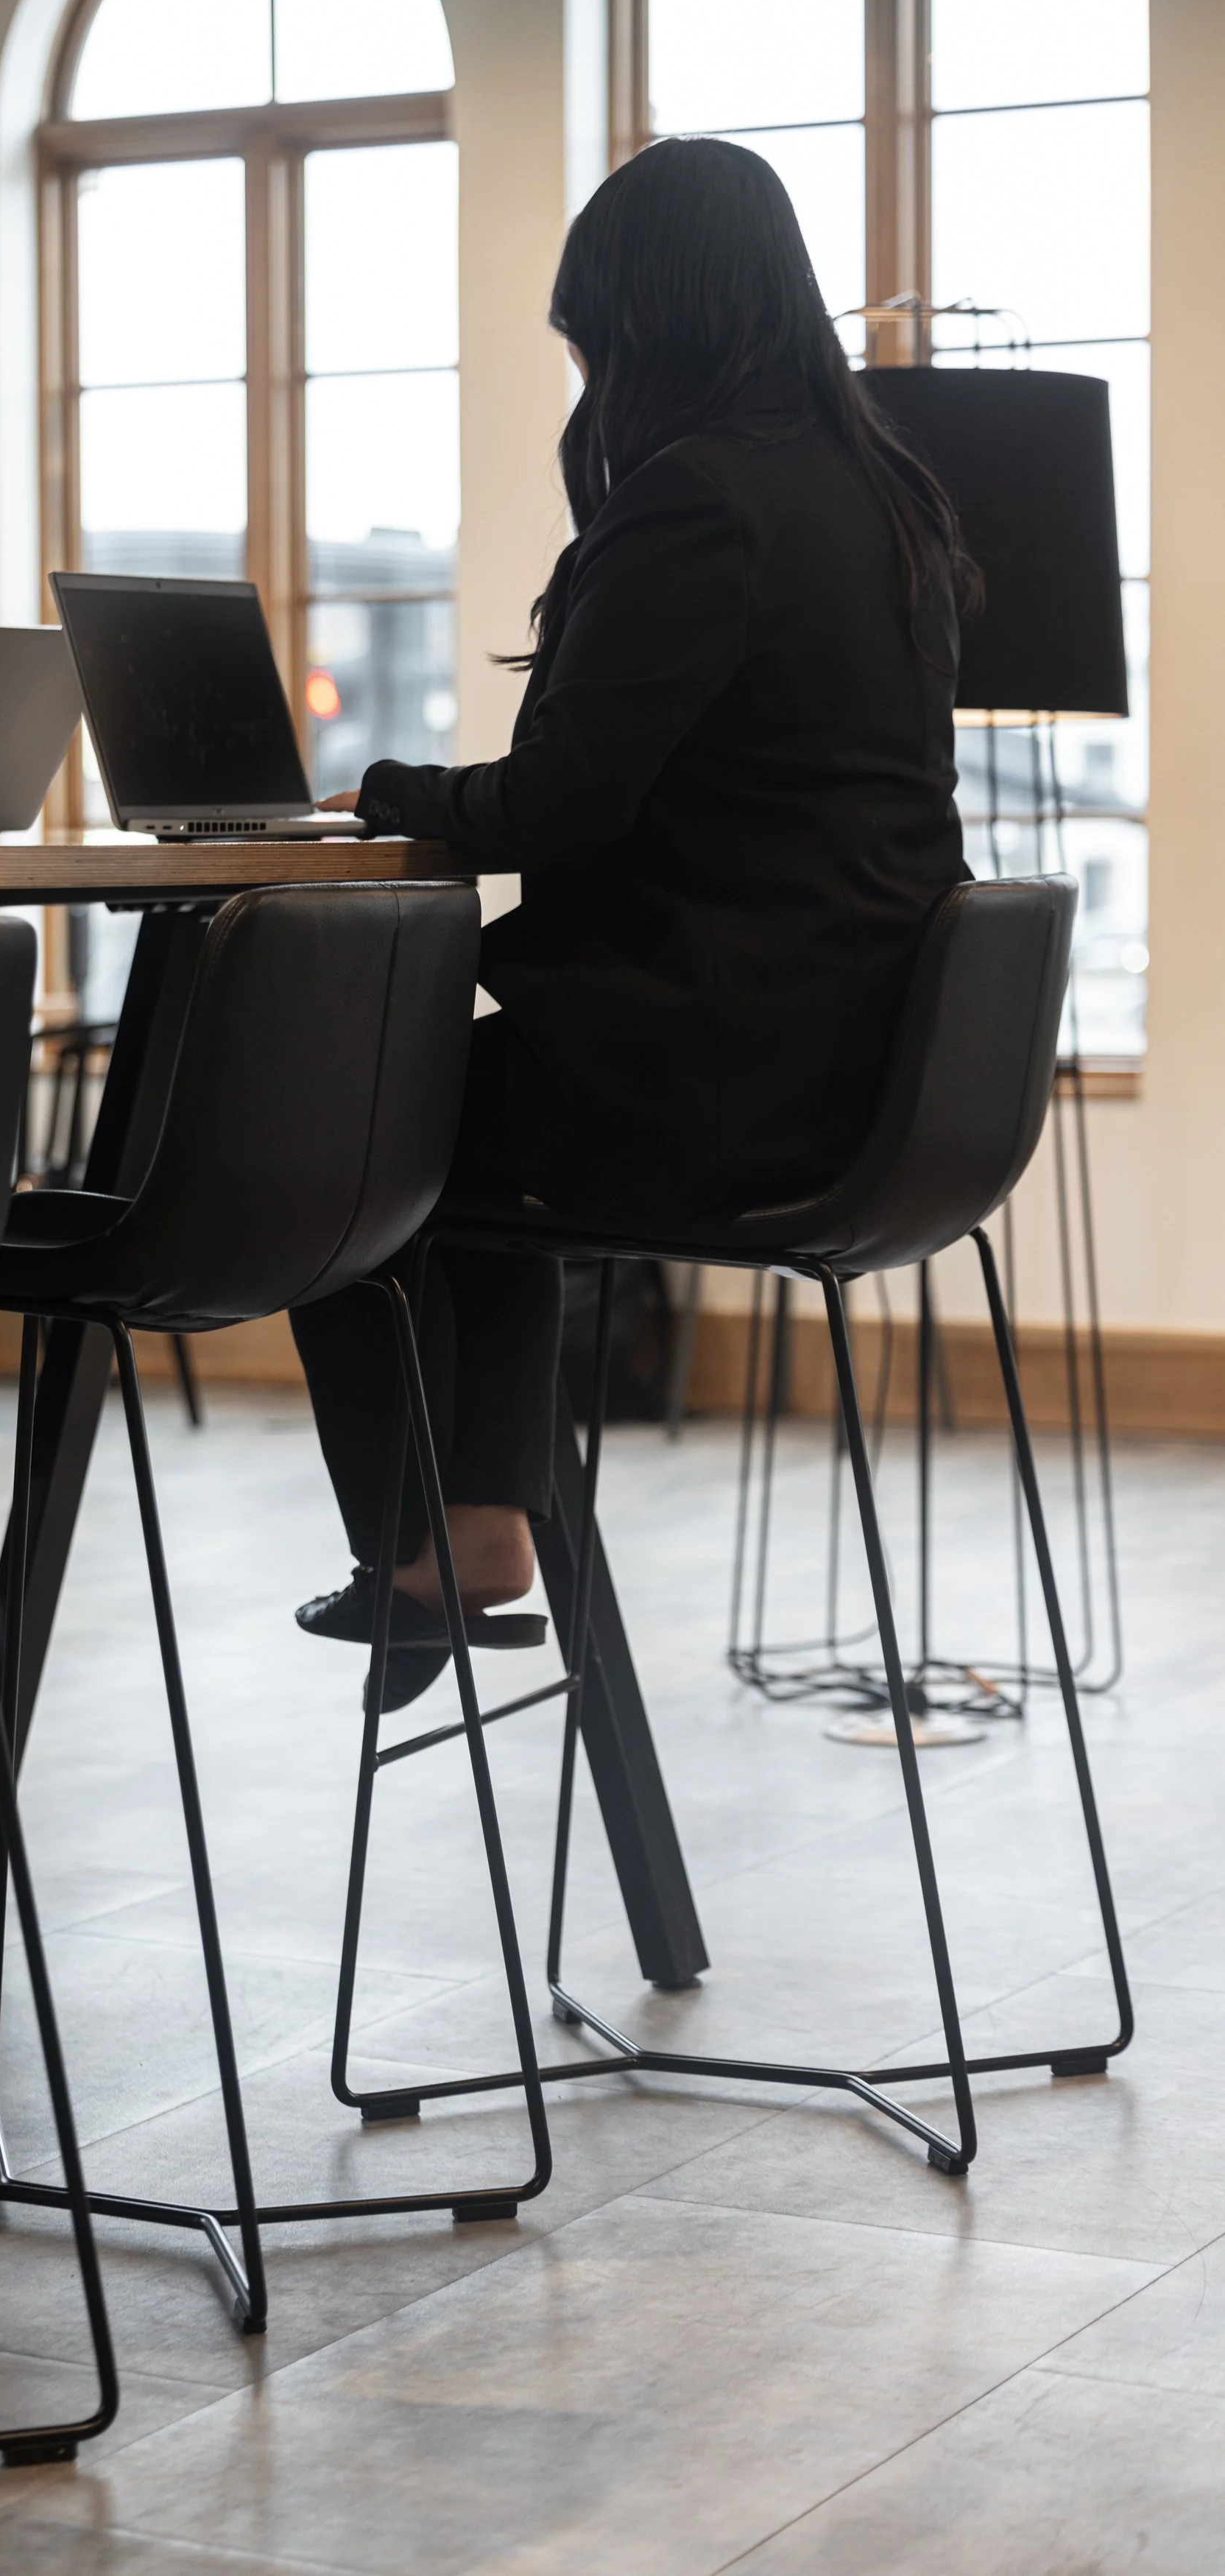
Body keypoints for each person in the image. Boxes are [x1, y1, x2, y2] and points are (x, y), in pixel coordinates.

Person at [292, 137, 972, 1708]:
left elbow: (559, 802)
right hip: (866, 1075)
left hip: (713, 1082)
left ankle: (427, 1536)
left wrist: (381, 789)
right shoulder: (884, 496)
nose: (585, 374)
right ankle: (470, 1521)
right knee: (467, 1127)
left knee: (332, 1138)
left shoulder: (699, 499)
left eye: (589, 336)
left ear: (645, 320)